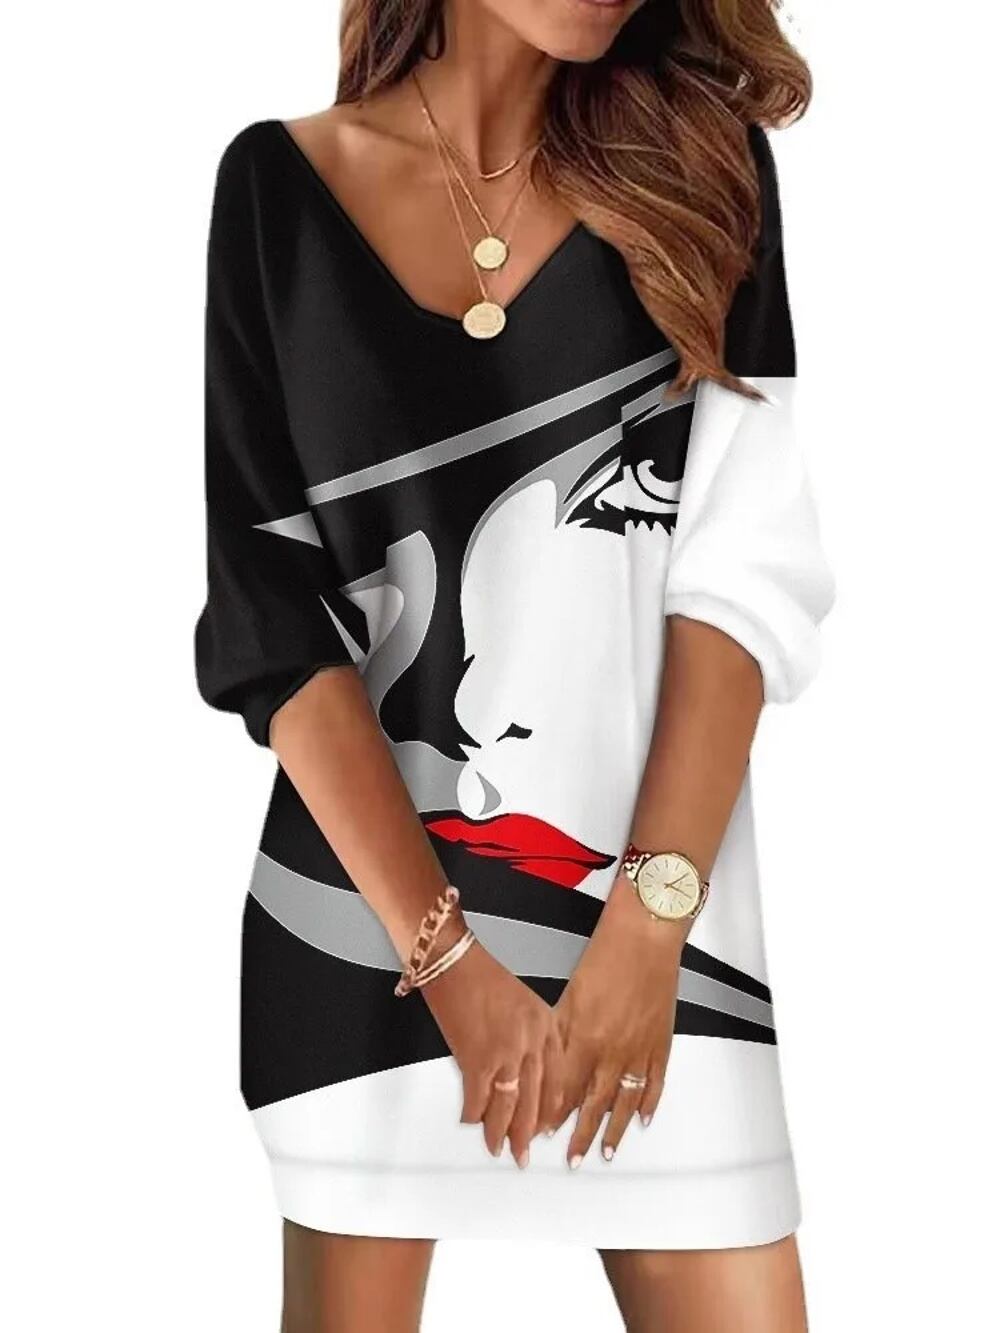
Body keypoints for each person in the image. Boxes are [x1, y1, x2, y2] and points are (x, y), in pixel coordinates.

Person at [193, 1, 835, 1327]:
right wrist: (449, 965)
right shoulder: (276, 190)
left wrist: (647, 930)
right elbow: (275, 625)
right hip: (365, 949)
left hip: (665, 962)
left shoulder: (703, 171)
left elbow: (743, 578)